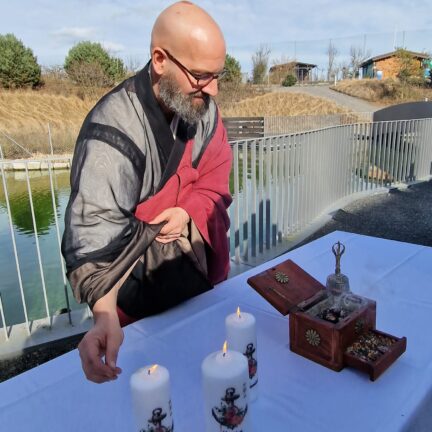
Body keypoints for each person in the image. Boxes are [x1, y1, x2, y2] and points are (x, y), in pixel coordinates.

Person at [61, 1, 232, 384]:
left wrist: (188, 210)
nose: (215, 89)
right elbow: (94, 235)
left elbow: (218, 171)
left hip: (200, 278)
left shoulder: (200, 104)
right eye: (203, 76)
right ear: (159, 59)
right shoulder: (112, 129)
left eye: (218, 75)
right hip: (136, 301)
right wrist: (104, 319)